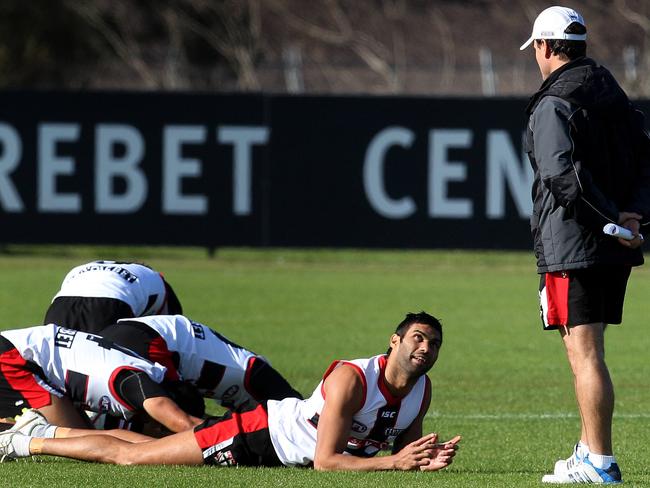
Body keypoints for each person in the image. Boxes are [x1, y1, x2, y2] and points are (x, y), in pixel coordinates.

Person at [0, 312, 461, 472]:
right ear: (394, 341)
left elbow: (402, 451)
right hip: (258, 433)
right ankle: (25, 442)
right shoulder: (352, 378)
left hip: (272, 444)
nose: (426, 348)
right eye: (418, 338)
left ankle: (40, 437)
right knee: (132, 458)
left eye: (434, 343)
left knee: (155, 450)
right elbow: (327, 462)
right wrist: (396, 463)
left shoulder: (421, 391)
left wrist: (423, 458)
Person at [520, 6, 650, 484]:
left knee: (584, 352)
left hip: (575, 243)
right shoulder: (610, 92)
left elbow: (561, 176)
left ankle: (600, 460)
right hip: (610, 244)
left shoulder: (555, 100)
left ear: (546, 46)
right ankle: (587, 451)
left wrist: (611, 222)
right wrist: (633, 215)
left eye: (536, 47)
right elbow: (646, 159)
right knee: (589, 350)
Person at [0, 324, 203, 433]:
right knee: (78, 440)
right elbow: (185, 426)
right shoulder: (141, 385)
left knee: (85, 435)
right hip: (13, 359)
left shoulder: (147, 372)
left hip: (20, 353)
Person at [99, 314, 303, 411]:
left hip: (111, 334)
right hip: (151, 341)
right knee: (176, 413)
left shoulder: (235, 373)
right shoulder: (248, 373)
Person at [44, 261, 183, 334]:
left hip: (61, 304)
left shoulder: (83, 267)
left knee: (52, 365)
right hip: (110, 304)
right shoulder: (156, 279)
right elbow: (171, 333)